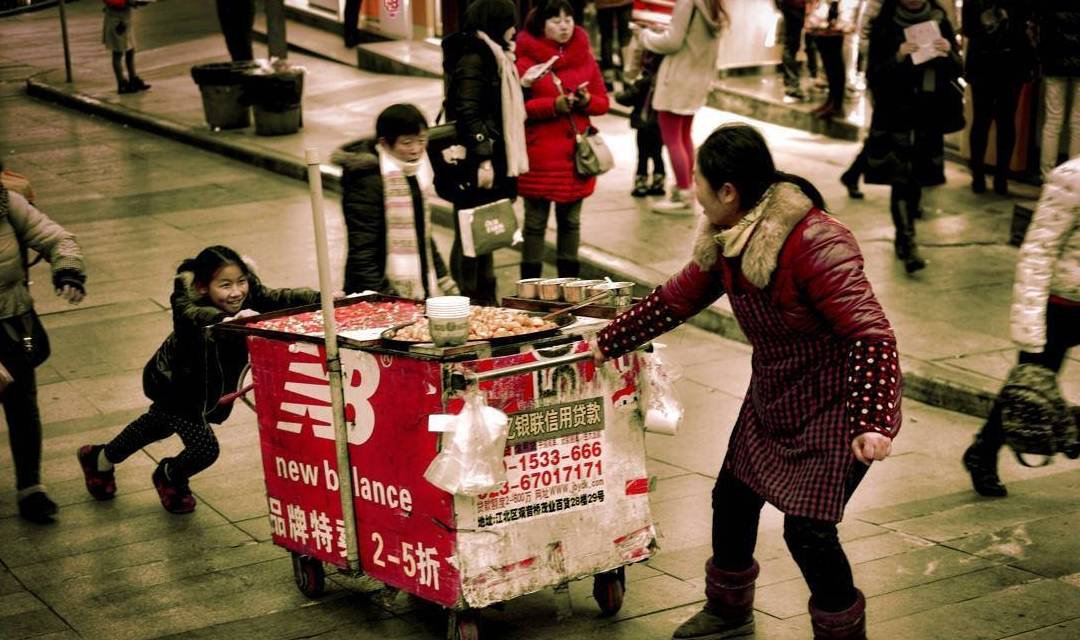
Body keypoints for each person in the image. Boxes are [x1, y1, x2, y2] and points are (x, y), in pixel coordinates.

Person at [591, 123, 900, 640]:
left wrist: (872, 420)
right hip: (774, 393)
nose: (697, 198)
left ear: (729, 191)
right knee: (732, 498)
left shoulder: (815, 242)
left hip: (836, 403)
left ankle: (843, 634)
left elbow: (871, 333)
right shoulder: (729, 237)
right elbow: (676, 298)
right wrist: (603, 343)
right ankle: (728, 613)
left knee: (808, 531)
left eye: (701, 187)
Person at [77, 246, 322, 514]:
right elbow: (196, 316)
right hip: (178, 386)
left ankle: (98, 458)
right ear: (203, 287)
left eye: (241, 281)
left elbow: (281, 297)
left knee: (156, 425)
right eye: (225, 285)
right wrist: (227, 319)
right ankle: (170, 475)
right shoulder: (187, 303)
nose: (237, 291)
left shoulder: (250, 294)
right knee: (205, 449)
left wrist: (323, 299)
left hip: (204, 390)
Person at [963, 156, 1080, 497]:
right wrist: (1030, 325)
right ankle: (982, 452)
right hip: (1062, 305)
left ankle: (1069, 432)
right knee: (1029, 388)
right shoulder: (1072, 178)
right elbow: (1039, 250)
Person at [0, 184, 86, 524]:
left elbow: (57, 237)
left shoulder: (6, 202)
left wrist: (67, 271)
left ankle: (30, 487)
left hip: (12, 322)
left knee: (22, 405)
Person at [441, 0, 529, 305]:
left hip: (491, 154)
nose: (514, 29)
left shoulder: (497, 56)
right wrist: (484, 157)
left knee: (483, 229)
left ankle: (483, 294)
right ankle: (467, 297)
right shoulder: (476, 58)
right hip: (477, 161)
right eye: (510, 21)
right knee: (470, 230)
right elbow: (468, 110)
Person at [863, 0, 961, 274]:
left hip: (929, 112)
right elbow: (873, 74)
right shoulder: (885, 23)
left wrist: (949, 52)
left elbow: (957, 68)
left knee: (918, 179)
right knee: (900, 179)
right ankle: (908, 242)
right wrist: (897, 57)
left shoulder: (939, 19)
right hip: (896, 112)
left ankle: (903, 237)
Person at [515, 0, 609, 280]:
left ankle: (569, 286)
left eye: (568, 19)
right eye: (556, 20)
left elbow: (604, 102)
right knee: (534, 224)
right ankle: (530, 288)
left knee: (570, 222)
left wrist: (587, 100)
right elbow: (518, 108)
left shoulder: (585, 56)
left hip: (575, 159)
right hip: (539, 156)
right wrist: (554, 105)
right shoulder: (524, 61)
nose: (564, 25)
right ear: (541, 25)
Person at [332, 104, 458, 298]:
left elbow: (422, 233)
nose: (416, 149)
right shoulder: (365, 180)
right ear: (384, 143)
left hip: (414, 290)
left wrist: (444, 279)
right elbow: (363, 249)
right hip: (375, 290)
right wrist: (384, 297)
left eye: (422, 140)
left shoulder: (411, 171)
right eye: (407, 143)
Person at [636, 0, 726, 215]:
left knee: (672, 138)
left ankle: (684, 194)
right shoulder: (712, 4)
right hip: (697, 77)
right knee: (684, 135)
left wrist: (645, 36)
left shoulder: (687, 2)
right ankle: (685, 190)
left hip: (677, 78)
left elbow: (672, 42)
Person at [963, 0, 1035, 195]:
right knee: (985, 120)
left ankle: (998, 176)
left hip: (1008, 62)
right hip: (989, 62)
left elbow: (1026, 22)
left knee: (1000, 121)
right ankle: (981, 175)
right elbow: (969, 28)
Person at [1033, 1, 1080, 180]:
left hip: (1054, 64)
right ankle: (1073, 179)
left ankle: (1047, 177)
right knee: (1078, 124)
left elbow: (1040, 23)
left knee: (1053, 121)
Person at [617, 47, 667, 198]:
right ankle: (659, 182)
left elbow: (626, 98)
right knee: (658, 154)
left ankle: (641, 184)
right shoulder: (664, 82)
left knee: (643, 155)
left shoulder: (642, 82)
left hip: (644, 126)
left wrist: (620, 93)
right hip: (660, 126)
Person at [805, 0, 860, 119]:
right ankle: (831, 102)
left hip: (842, 27)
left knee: (837, 67)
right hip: (830, 26)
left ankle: (836, 105)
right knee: (830, 66)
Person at [102, 0, 151, 94]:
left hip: (125, 17)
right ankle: (121, 82)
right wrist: (127, 2)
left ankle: (133, 78)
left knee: (130, 49)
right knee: (117, 52)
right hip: (116, 19)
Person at [776, 0, 810, 103]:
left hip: (790, 4)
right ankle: (792, 88)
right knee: (792, 45)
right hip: (796, 4)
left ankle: (791, 86)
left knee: (791, 45)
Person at [595, 0, 634, 90]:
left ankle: (608, 80)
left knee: (606, 38)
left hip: (603, 3)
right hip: (624, 2)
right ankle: (627, 78)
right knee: (625, 38)